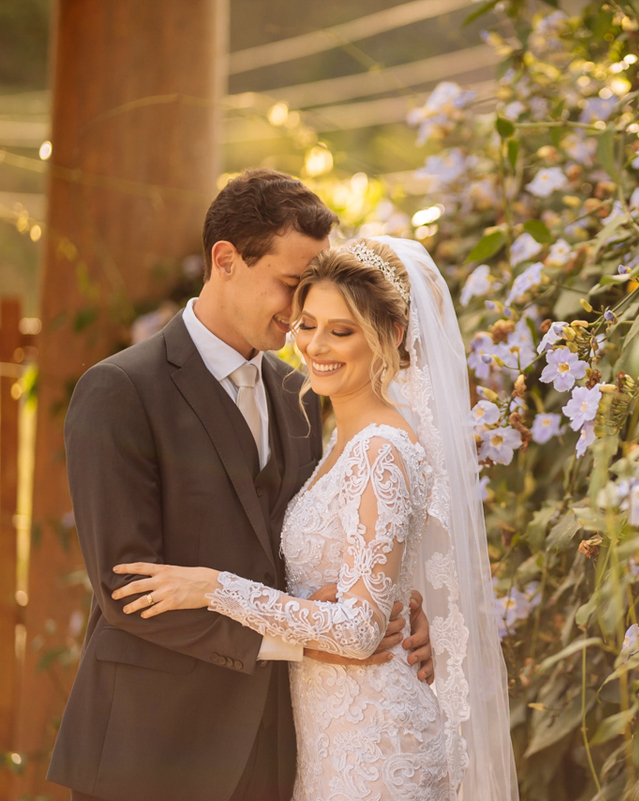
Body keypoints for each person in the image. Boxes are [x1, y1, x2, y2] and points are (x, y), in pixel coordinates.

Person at [49, 171, 436, 801]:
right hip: (153, 748)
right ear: (225, 260)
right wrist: (303, 644)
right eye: (290, 285)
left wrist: (392, 608)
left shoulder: (301, 397)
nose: (299, 312)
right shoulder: (120, 390)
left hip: (280, 747)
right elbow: (127, 590)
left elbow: (324, 546)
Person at [111, 238, 520, 800]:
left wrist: (212, 588)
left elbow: (358, 631)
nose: (315, 346)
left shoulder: (381, 451)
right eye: (306, 324)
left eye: (342, 330)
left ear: (393, 335)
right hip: (327, 731)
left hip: (375, 742)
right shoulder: (332, 441)